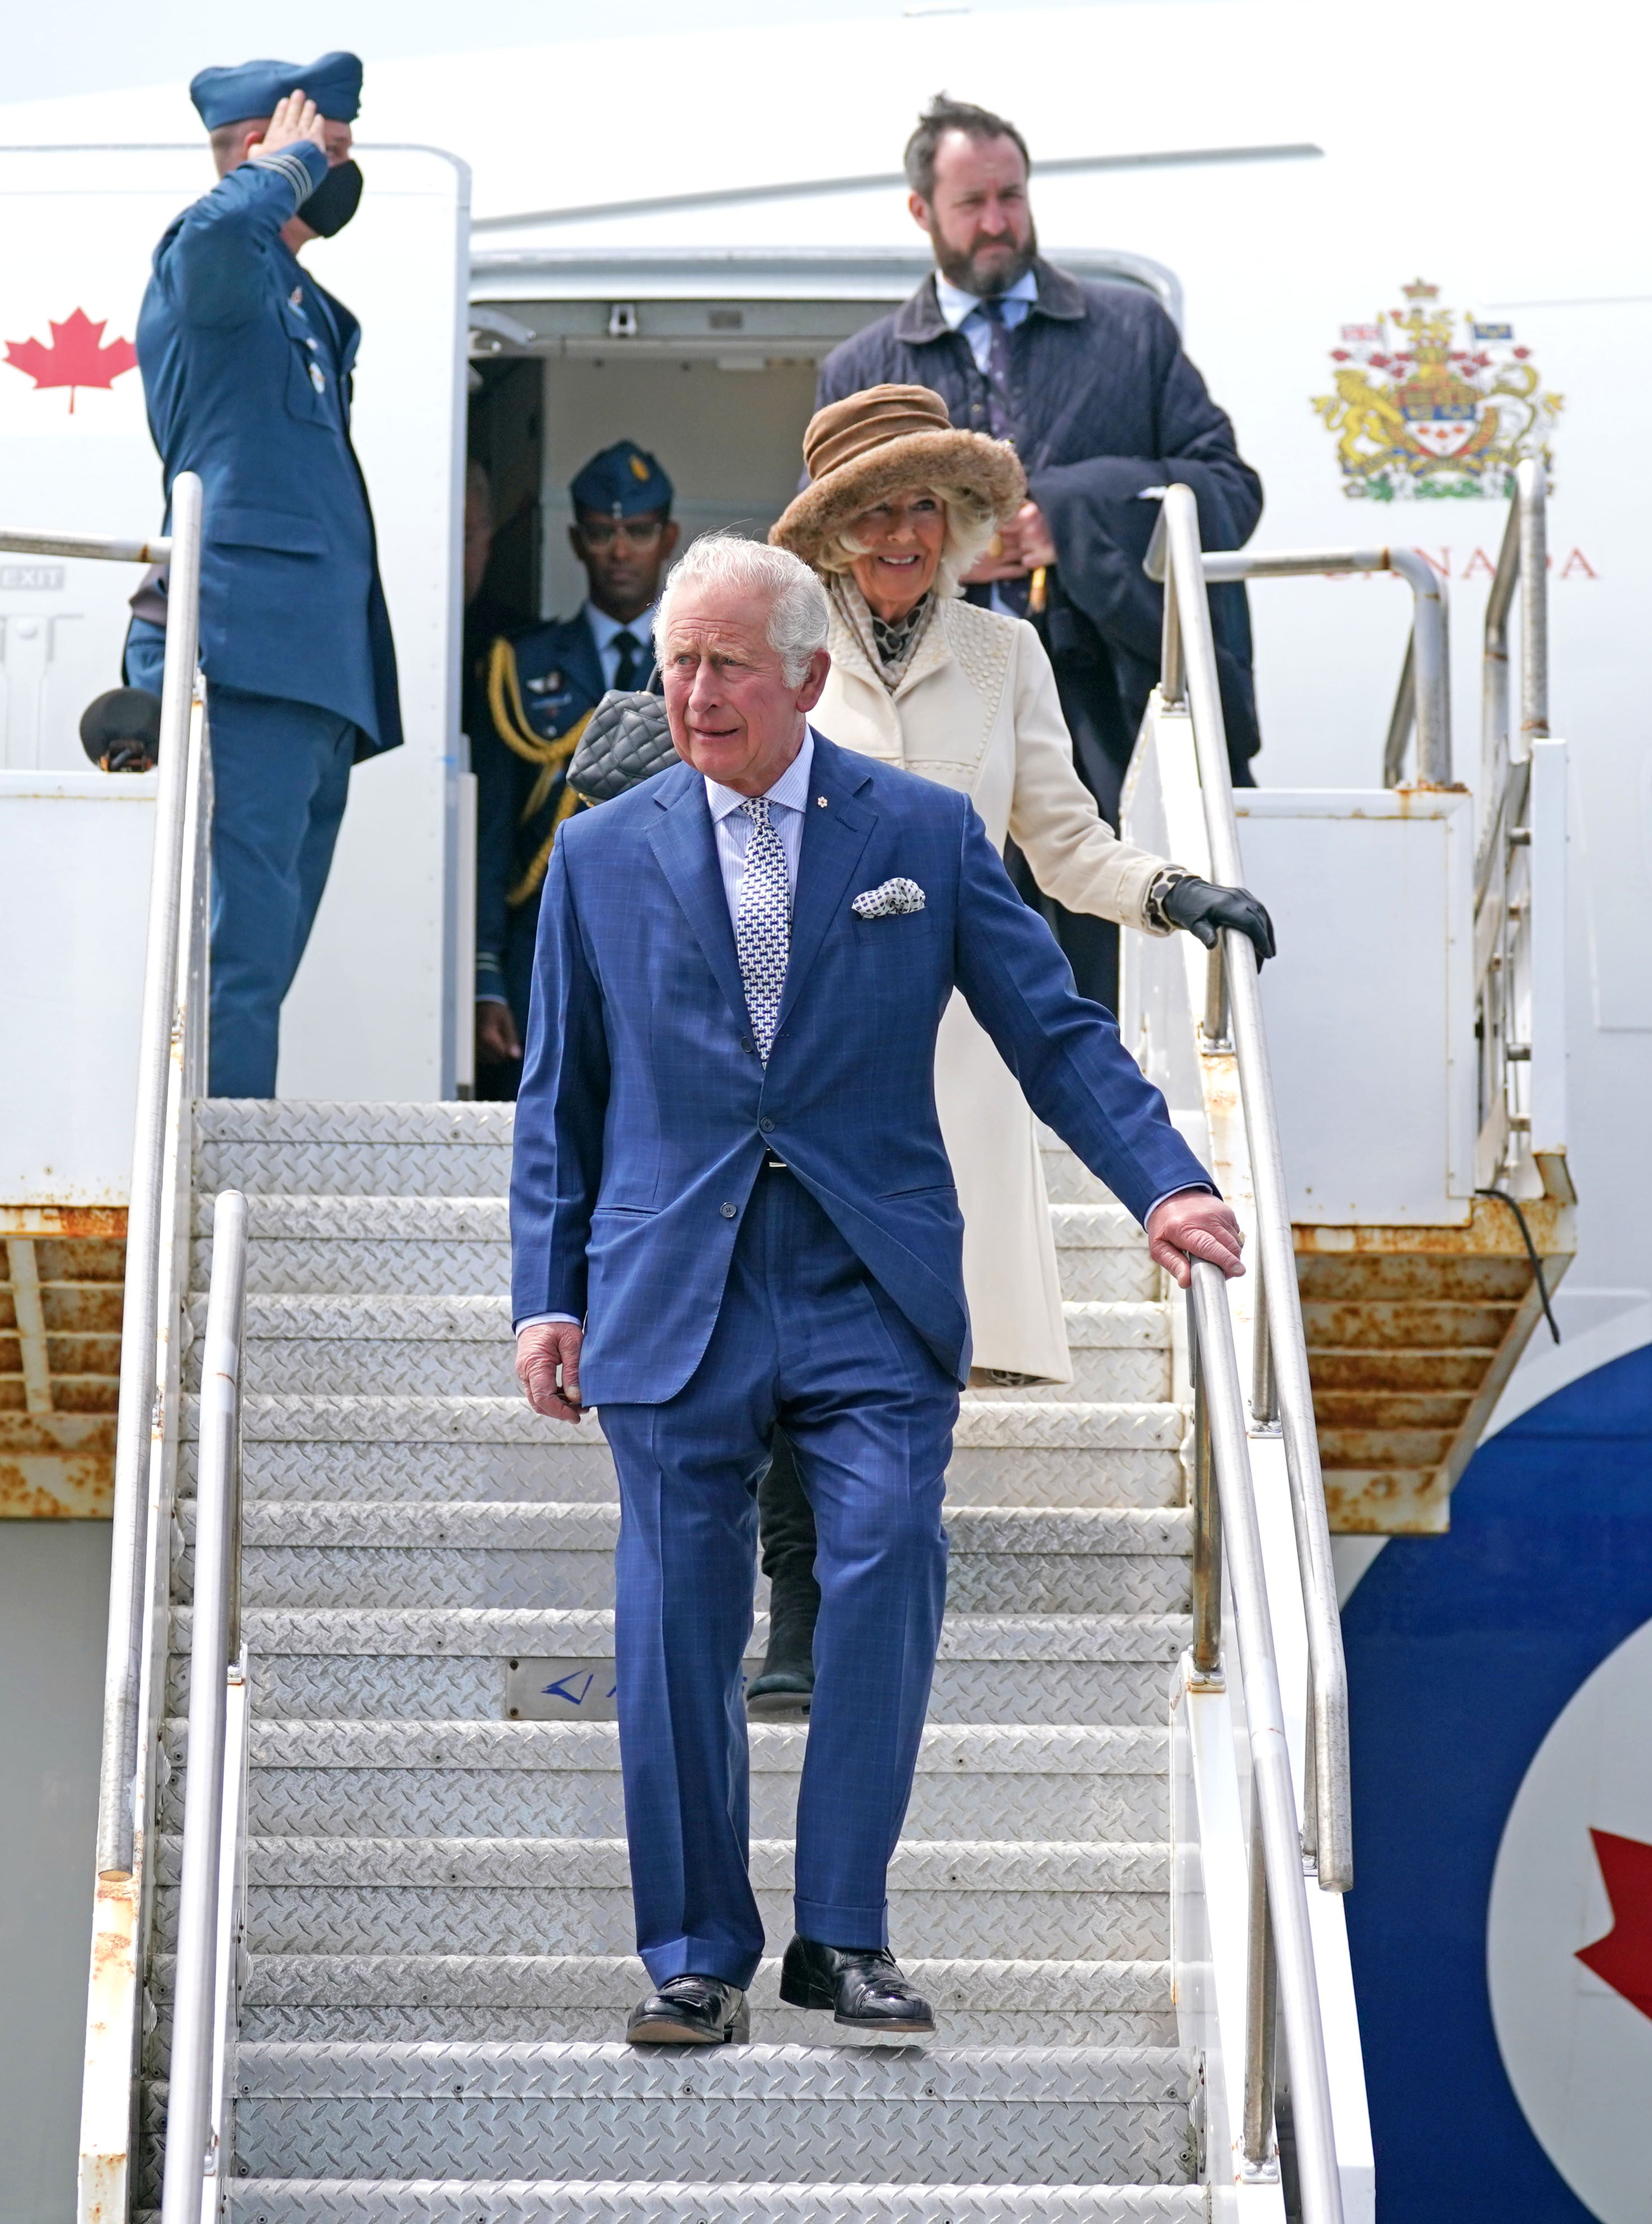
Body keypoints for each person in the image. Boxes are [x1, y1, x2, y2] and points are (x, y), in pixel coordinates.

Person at [507, 534, 1246, 2047]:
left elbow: (1054, 1032)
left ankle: (843, 1935)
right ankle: (698, 1952)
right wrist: (549, 1292)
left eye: (724, 667)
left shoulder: (918, 831)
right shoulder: (599, 855)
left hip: (869, 1277)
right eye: (677, 666)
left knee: (891, 1557)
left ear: (807, 678)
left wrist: (1165, 1181)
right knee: (674, 1625)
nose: (693, 695)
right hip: (671, 1287)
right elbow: (557, 1105)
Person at [728, 383, 1276, 1711]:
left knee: (916, 1336)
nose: (904, 532)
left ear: (963, 519)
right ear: (833, 531)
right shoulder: (775, 648)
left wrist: (1171, 893)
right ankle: (797, 1598)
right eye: (876, 511)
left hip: (955, 1047)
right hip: (795, 1035)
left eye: (927, 505)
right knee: (797, 1323)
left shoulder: (1001, 657)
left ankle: (884, 1565)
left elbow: (1063, 840)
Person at [817, 94, 1268, 1010]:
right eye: (972, 203)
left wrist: (1067, 518)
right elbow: (826, 550)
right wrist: (937, 553)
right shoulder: (861, 370)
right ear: (921, 214)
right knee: (941, 978)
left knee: (1112, 980)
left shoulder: (1131, 332)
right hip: (932, 722)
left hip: (1115, 713)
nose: (997, 223)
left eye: (1012, 197)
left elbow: (1233, 492)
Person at [123, 52, 404, 1097]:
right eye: (325, 152)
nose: (337, 173)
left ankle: (227, 1148)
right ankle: (210, 1189)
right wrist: (279, 170)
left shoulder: (301, 306)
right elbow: (211, 232)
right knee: (227, 966)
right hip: (244, 665)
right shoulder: (219, 271)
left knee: (259, 965)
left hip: (316, 679)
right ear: (261, 150)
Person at [474, 441, 685, 1094]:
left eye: (638, 532)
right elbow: (490, 834)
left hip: (672, 938)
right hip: (541, 944)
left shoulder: (702, 667)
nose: (620, 551)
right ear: (575, 540)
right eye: (601, 532)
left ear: (669, 537)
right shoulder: (520, 666)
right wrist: (484, 976)